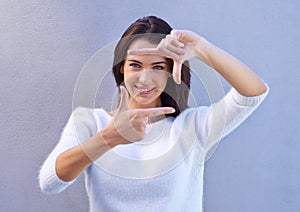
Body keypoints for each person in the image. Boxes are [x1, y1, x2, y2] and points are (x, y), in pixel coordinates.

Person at [39, 16, 269, 211]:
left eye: (158, 67)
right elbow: (51, 181)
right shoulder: (90, 121)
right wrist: (110, 137)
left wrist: (202, 49)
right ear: (121, 66)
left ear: (171, 72)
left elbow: (253, 94)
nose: (145, 79)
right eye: (135, 65)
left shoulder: (192, 126)